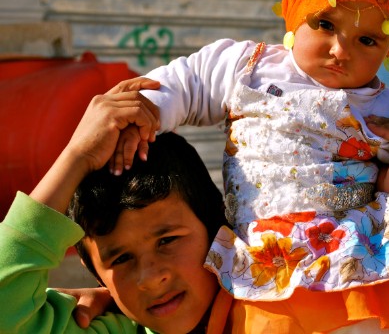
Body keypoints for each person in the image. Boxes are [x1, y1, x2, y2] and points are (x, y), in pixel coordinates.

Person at [108, 0, 389, 331]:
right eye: (324, 24)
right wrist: (147, 114)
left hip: (357, 265)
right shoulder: (245, 67)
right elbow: (187, 83)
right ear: (294, 15)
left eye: (367, 40)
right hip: (266, 259)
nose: (341, 50)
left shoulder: (387, 110)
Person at [0, 91, 234, 333]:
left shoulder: (270, 288)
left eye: (167, 240)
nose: (151, 279)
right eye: (121, 259)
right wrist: (77, 156)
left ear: (218, 225)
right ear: (97, 274)